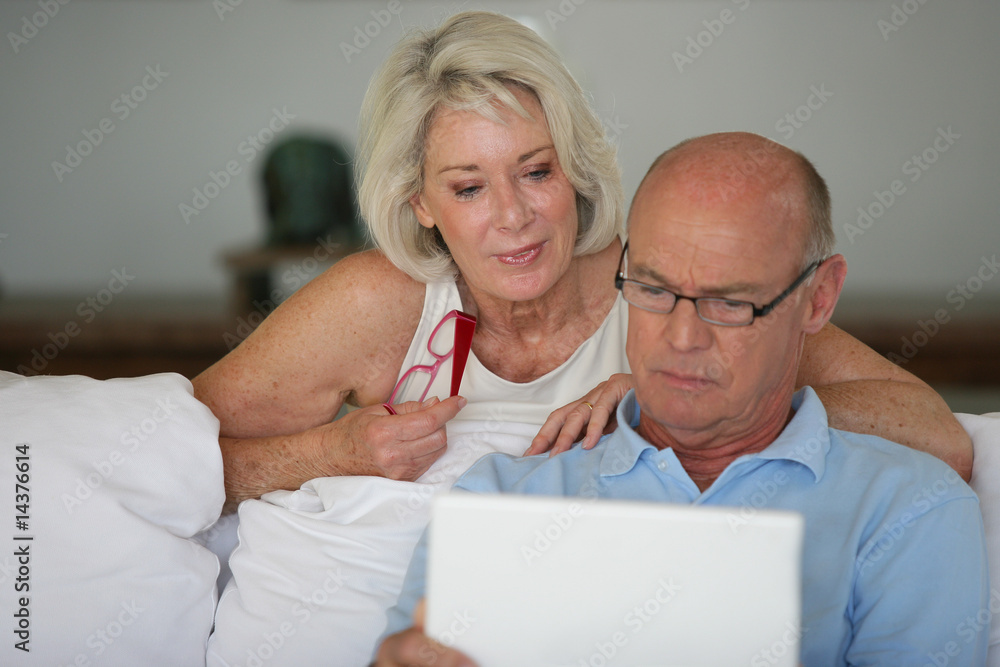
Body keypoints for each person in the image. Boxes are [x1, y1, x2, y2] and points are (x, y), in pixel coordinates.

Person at [192, 10, 969, 517]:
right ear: (419, 201)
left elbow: (938, 435)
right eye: (468, 187)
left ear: (576, 168)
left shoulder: (669, 287)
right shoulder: (381, 304)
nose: (514, 216)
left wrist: (676, 400)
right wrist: (335, 450)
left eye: (537, 171)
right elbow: (171, 457)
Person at [377, 132, 990, 666]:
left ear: (818, 300)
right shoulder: (503, 504)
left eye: (729, 302)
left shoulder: (907, 510)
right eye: (652, 289)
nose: (681, 338)